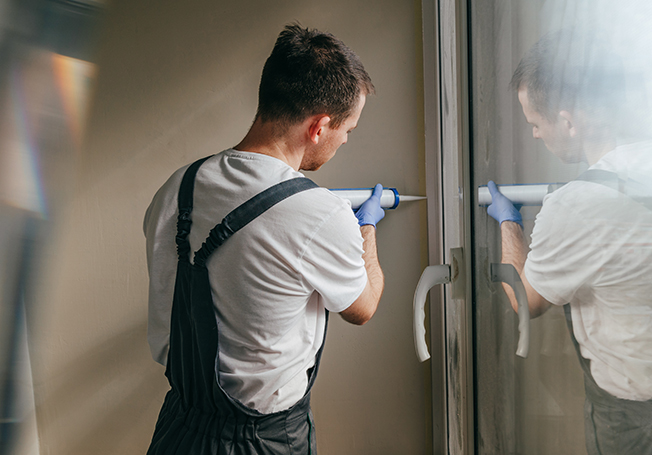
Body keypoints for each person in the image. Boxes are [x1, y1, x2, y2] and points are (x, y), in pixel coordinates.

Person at [143, 24, 385, 454]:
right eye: (347, 129)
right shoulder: (320, 212)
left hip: (178, 428)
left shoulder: (176, 188)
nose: (345, 140)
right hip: (263, 442)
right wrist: (366, 228)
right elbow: (362, 308)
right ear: (319, 126)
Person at [486, 30, 652, 454]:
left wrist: (509, 223)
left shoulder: (577, 206)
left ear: (569, 121)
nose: (537, 135)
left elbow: (529, 301)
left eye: (536, 124)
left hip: (633, 414)